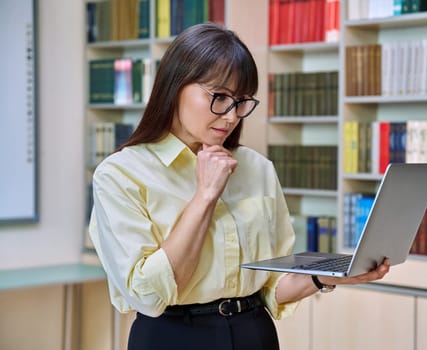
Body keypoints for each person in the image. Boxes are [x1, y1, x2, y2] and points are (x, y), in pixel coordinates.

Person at [89, 22, 390, 350]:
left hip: (253, 333)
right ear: (174, 87)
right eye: (219, 97)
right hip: (172, 336)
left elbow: (271, 284)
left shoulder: (256, 168)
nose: (232, 116)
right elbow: (148, 295)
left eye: (242, 101)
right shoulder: (120, 175)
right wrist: (205, 194)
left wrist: (329, 276)